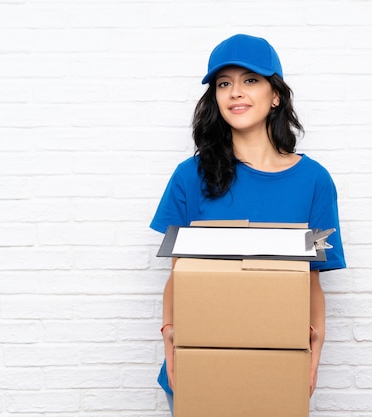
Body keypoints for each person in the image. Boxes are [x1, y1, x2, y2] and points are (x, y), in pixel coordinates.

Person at [149, 33, 346, 415]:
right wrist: (170, 338)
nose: (235, 92)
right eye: (224, 84)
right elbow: (179, 275)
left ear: (276, 95)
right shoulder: (190, 176)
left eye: (250, 80)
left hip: (277, 366)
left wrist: (313, 351)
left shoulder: (314, 181)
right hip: (199, 364)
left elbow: (312, 280)